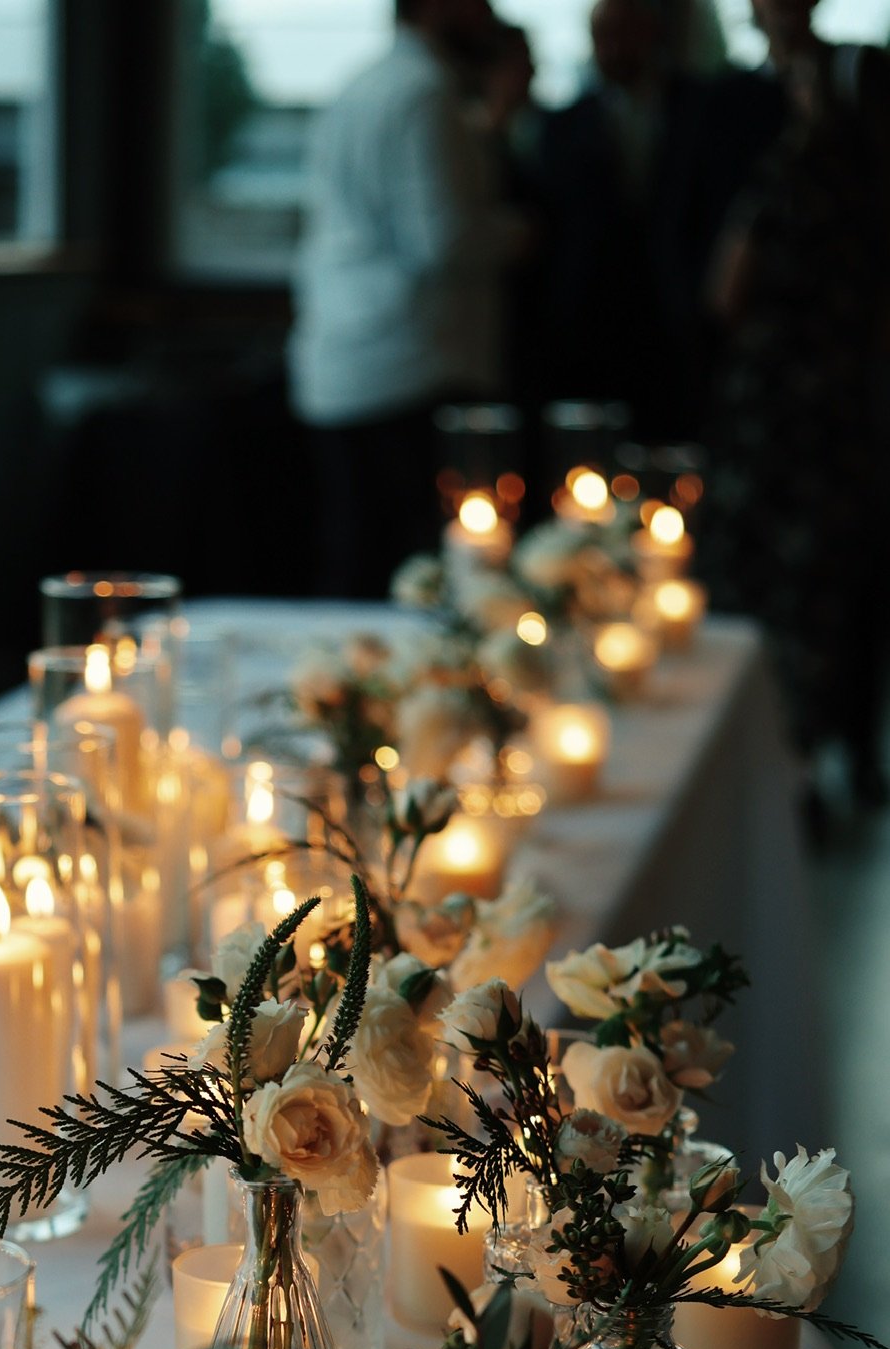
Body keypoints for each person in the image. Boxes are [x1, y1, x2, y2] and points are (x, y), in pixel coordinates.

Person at [701, 0, 890, 803]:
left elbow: (725, 289)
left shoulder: (812, 155)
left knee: (817, 576)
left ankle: (814, 752)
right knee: (807, 575)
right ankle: (805, 755)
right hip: (804, 395)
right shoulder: (757, 127)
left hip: (810, 393)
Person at [289, 0, 529, 598]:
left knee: (357, 558)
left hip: (346, 351)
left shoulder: (361, 85)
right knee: (413, 574)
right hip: (409, 359)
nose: (486, 12)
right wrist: (521, 234)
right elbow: (442, 241)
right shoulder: (425, 93)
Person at [530, 0, 721, 438]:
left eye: (624, 34)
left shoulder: (700, 108)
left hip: (677, 315)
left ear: (651, 33)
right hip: (593, 323)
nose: (613, 49)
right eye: (602, 37)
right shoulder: (563, 124)